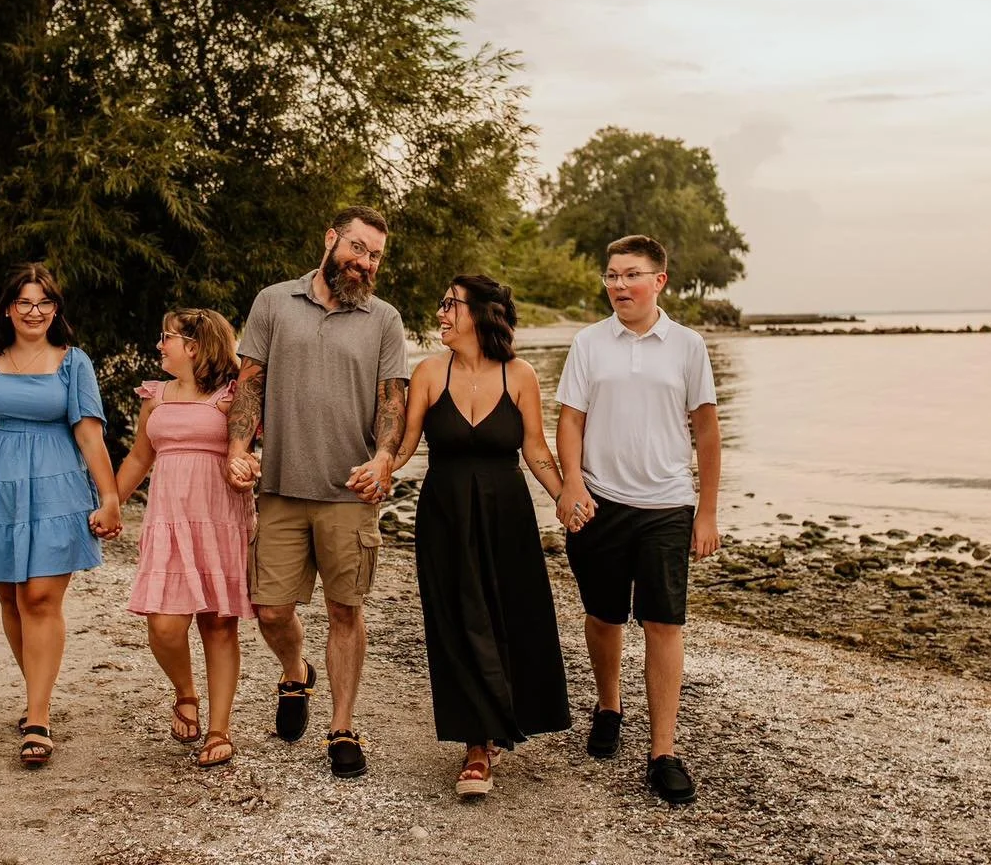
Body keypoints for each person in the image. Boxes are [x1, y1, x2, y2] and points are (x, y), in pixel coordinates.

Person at [224, 205, 408, 779]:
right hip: (279, 486)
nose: (365, 262)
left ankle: (343, 724)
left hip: (350, 495)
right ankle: (295, 670)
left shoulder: (384, 319)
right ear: (331, 240)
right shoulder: (273, 302)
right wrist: (238, 448)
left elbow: (391, 402)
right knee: (271, 609)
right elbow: (248, 387)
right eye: (357, 248)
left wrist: (382, 458)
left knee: (345, 609)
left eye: (375, 255)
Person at [554, 234, 721, 805]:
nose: (618, 285)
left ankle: (663, 751)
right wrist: (572, 483)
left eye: (630, 275)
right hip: (600, 501)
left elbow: (706, 431)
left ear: (659, 281)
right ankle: (608, 707)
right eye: (611, 275)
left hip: (667, 506)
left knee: (663, 623)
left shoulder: (688, 346)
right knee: (603, 616)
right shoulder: (588, 343)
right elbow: (571, 420)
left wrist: (707, 511)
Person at [390, 275, 571, 798]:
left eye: (450, 305)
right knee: (455, 620)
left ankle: (501, 720)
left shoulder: (521, 374)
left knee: (506, 616)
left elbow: (536, 449)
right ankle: (475, 744)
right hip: (443, 511)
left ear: (480, 314)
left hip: (506, 513)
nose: (441, 313)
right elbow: (404, 447)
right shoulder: (428, 372)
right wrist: (379, 469)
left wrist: (566, 497)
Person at [0, 263, 122, 768]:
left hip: (58, 483)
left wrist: (109, 496)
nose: (34, 312)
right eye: (24, 303)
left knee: (40, 596)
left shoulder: (72, 361)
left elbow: (88, 433)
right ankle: (35, 693)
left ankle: (37, 717)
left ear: (55, 309)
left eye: (44, 303)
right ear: (8, 309)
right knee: (11, 598)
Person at [114, 308, 255, 769]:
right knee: (164, 625)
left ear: (194, 346)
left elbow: (255, 451)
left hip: (219, 520)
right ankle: (184, 692)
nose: (160, 345)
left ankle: (219, 729)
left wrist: (252, 467)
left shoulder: (233, 396)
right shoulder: (155, 397)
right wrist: (110, 503)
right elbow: (139, 457)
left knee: (218, 624)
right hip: (168, 522)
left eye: (166, 337)